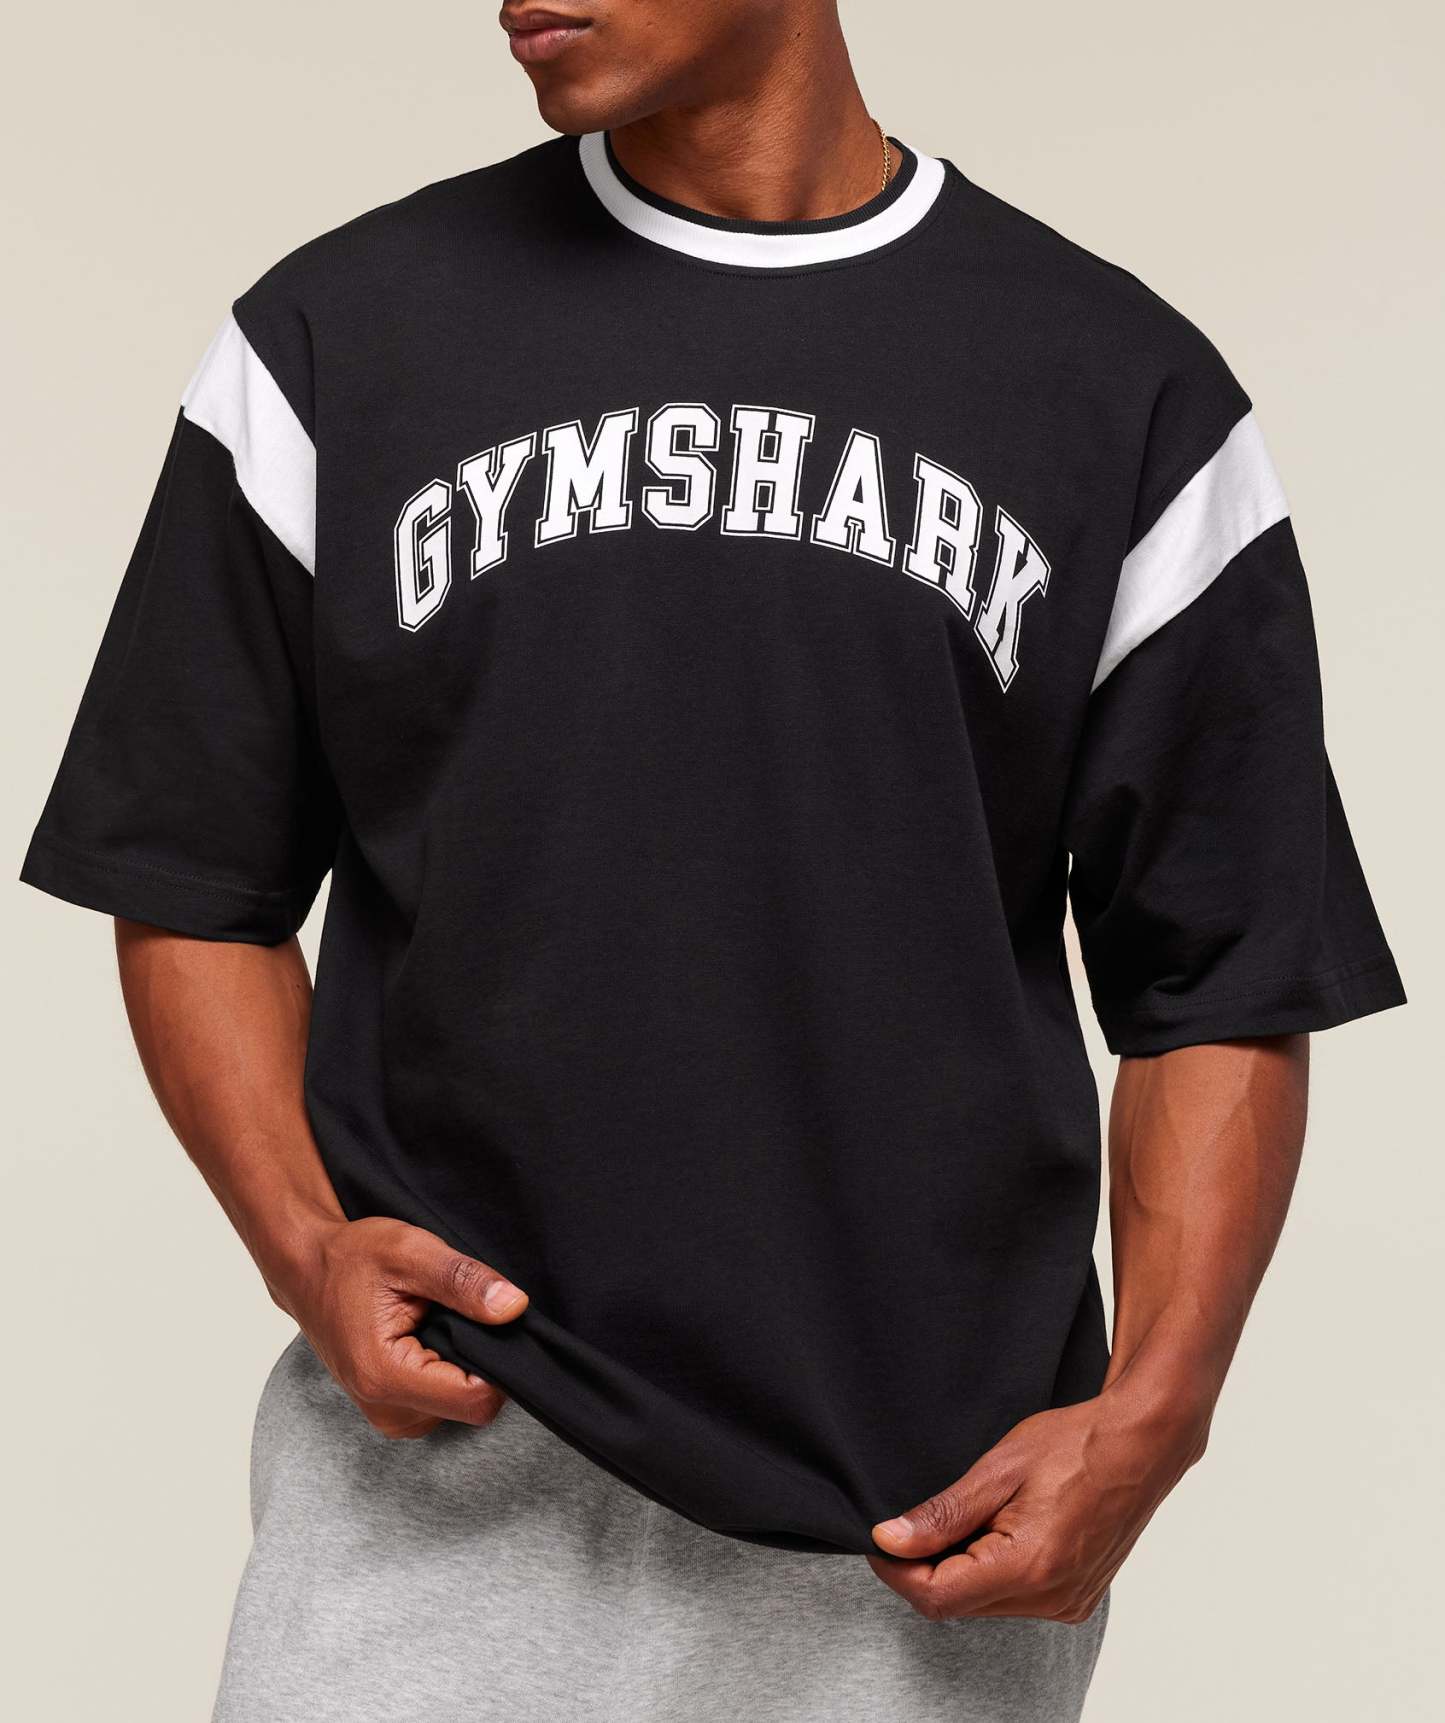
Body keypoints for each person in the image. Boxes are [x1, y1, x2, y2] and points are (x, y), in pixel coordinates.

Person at [22, 1, 1404, 1718]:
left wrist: (1154, 1413)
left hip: (917, 1522)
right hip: (443, 1468)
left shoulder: (1117, 391)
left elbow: (1222, 969)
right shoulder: (338, 339)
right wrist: (304, 1247)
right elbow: (187, 873)